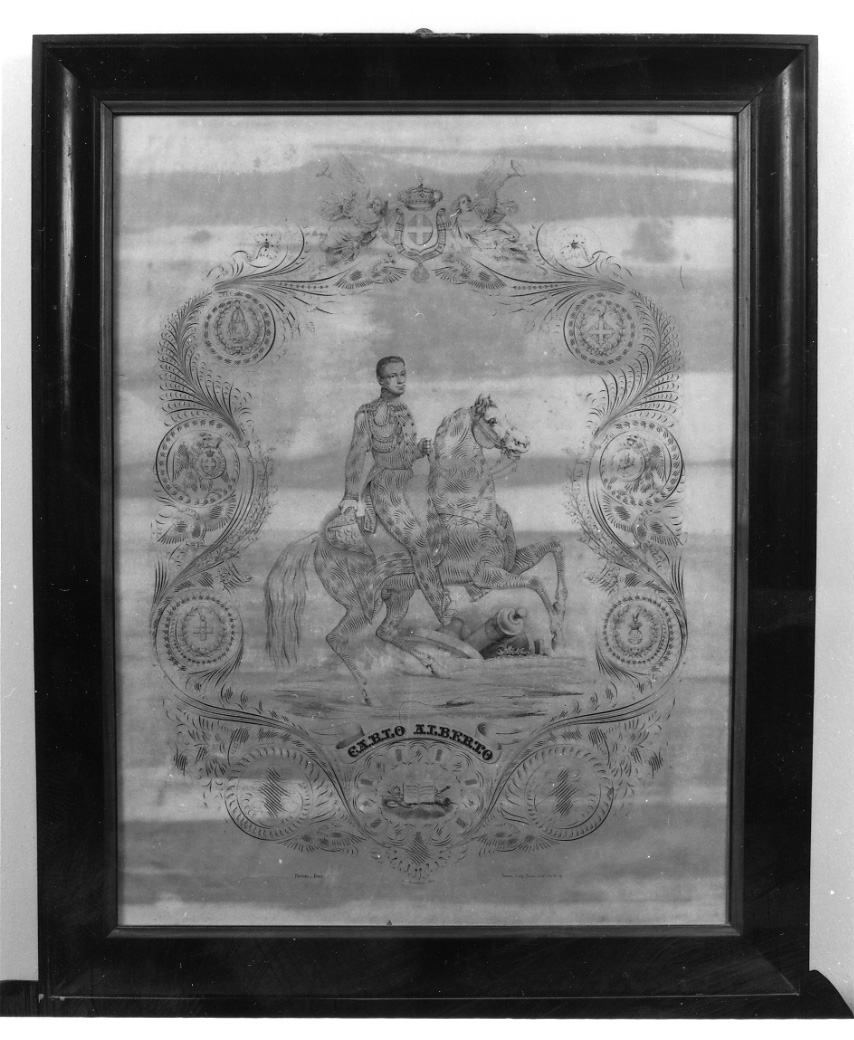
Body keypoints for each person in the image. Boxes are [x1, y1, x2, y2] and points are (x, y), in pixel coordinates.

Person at [337, 356, 457, 628]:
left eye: (403, 374)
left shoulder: (403, 409)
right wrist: (350, 496)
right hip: (385, 487)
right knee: (419, 543)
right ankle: (442, 608)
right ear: (380, 380)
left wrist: (418, 450)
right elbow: (356, 455)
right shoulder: (367, 414)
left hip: (408, 482)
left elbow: (402, 454)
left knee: (443, 531)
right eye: (393, 376)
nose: (400, 380)